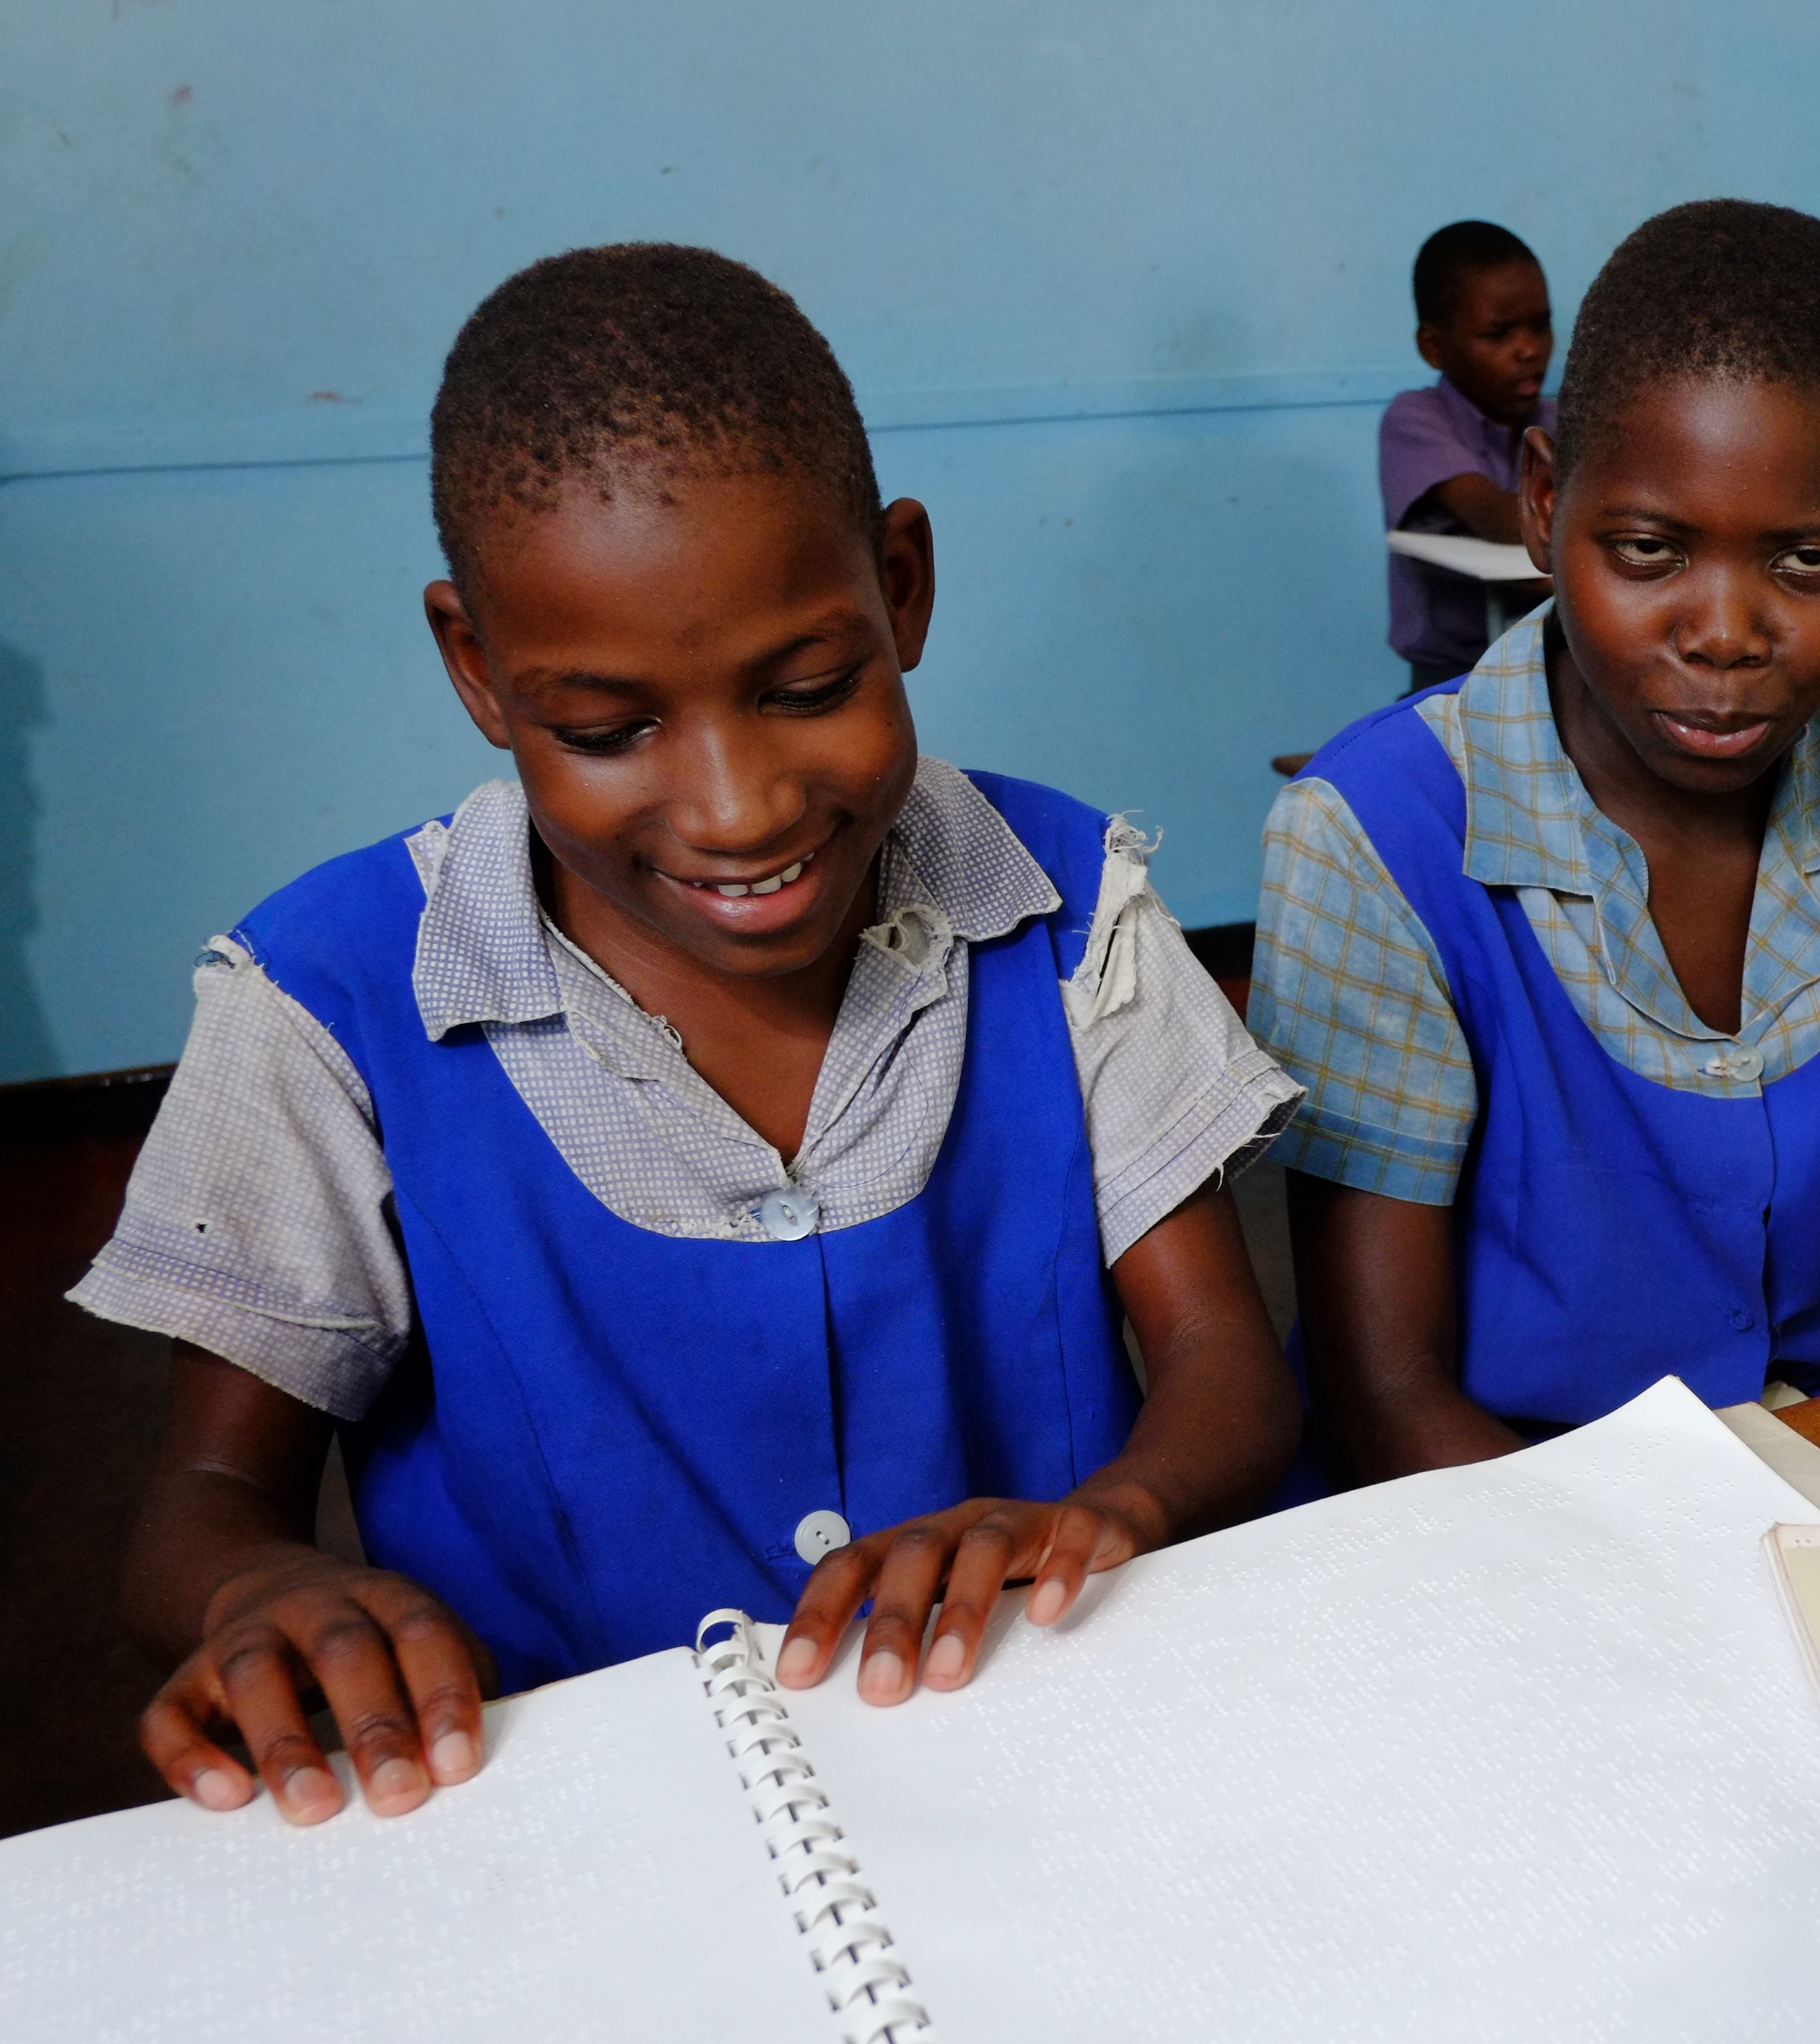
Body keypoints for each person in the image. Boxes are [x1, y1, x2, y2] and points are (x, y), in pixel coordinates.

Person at [77, 245, 1304, 1825]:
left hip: (1049, 1754)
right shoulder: (331, 1001)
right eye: (608, 732)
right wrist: (261, 1595)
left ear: (903, 587)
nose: (738, 807)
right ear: (475, 669)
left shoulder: (1065, 906)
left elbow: (1221, 1359)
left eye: (806, 686)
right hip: (592, 1826)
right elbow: (203, 1503)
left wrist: (1108, 1516)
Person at [1253, 200, 1820, 1481]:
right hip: (1485, 1506)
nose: (1725, 631)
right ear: (1546, 503)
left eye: (1807, 561)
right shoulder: (1374, 836)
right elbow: (1386, 1393)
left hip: (1795, 1458)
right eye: (1646, 551)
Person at [1380, 221, 1557, 693]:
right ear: (1434, 347)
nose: (1529, 350)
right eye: (1499, 334)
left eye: (1541, 326)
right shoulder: (1415, 419)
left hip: (1553, 676)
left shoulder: (1563, 421)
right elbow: (1499, 517)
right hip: (1449, 685)